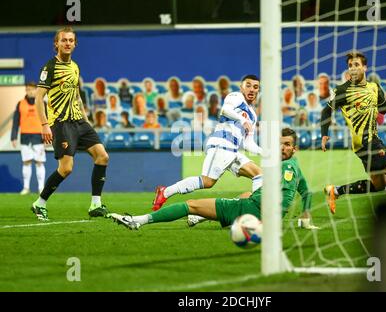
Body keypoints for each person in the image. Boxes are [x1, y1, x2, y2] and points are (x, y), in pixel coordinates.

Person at [110, 128, 318, 230]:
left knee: (191, 204)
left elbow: (278, 190)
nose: (283, 148)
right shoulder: (296, 167)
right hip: (259, 212)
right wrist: (305, 218)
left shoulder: (283, 166)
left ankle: (138, 221)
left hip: (251, 211)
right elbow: (306, 192)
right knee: (246, 193)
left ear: (294, 148)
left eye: (287, 145)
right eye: (280, 144)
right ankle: (202, 217)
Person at [152, 75, 263, 212]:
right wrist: (242, 120)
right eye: (248, 85)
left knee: (259, 173)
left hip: (233, 150)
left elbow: (248, 143)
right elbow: (225, 110)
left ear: (258, 90)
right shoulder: (235, 97)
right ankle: (166, 192)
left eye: (255, 87)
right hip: (221, 144)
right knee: (207, 181)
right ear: (241, 87)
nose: (252, 89)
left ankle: (257, 208)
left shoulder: (253, 114)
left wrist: (266, 152)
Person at [321, 51, 386, 215]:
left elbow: (381, 112)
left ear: (365, 67)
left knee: (379, 185)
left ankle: (335, 191)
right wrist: (324, 133)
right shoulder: (343, 90)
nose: (353, 68)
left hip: (371, 140)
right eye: (350, 66)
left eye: (356, 65)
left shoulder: (374, 87)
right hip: (365, 142)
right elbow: (326, 111)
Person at [31, 26, 110, 221]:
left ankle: (95, 204)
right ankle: (39, 203)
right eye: (63, 40)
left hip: (79, 121)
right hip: (61, 122)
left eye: (70, 40)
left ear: (75, 44)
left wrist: (86, 119)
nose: (67, 43)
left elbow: (76, 95)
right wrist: (44, 124)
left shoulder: (75, 67)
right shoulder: (50, 67)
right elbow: (38, 98)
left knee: (102, 156)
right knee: (66, 168)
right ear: (56, 44)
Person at [10, 82, 46, 195]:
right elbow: (16, 121)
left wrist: (50, 137)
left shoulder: (42, 103)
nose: (30, 91)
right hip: (25, 136)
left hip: (39, 136)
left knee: (39, 162)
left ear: (36, 90)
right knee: (26, 162)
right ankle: (26, 188)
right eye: (28, 89)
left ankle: (41, 188)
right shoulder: (20, 104)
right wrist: (13, 137)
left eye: (32, 89)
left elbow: (49, 121)